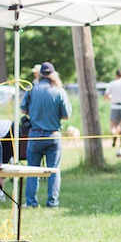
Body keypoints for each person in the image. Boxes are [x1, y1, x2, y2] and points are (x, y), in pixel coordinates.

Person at [20, 62, 70, 208]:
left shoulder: (32, 89)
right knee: (54, 170)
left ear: (40, 74)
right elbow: (66, 115)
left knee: (32, 170)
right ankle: (52, 202)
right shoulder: (59, 91)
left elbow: (23, 110)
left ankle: (31, 202)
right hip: (53, 135)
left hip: (35, 134)